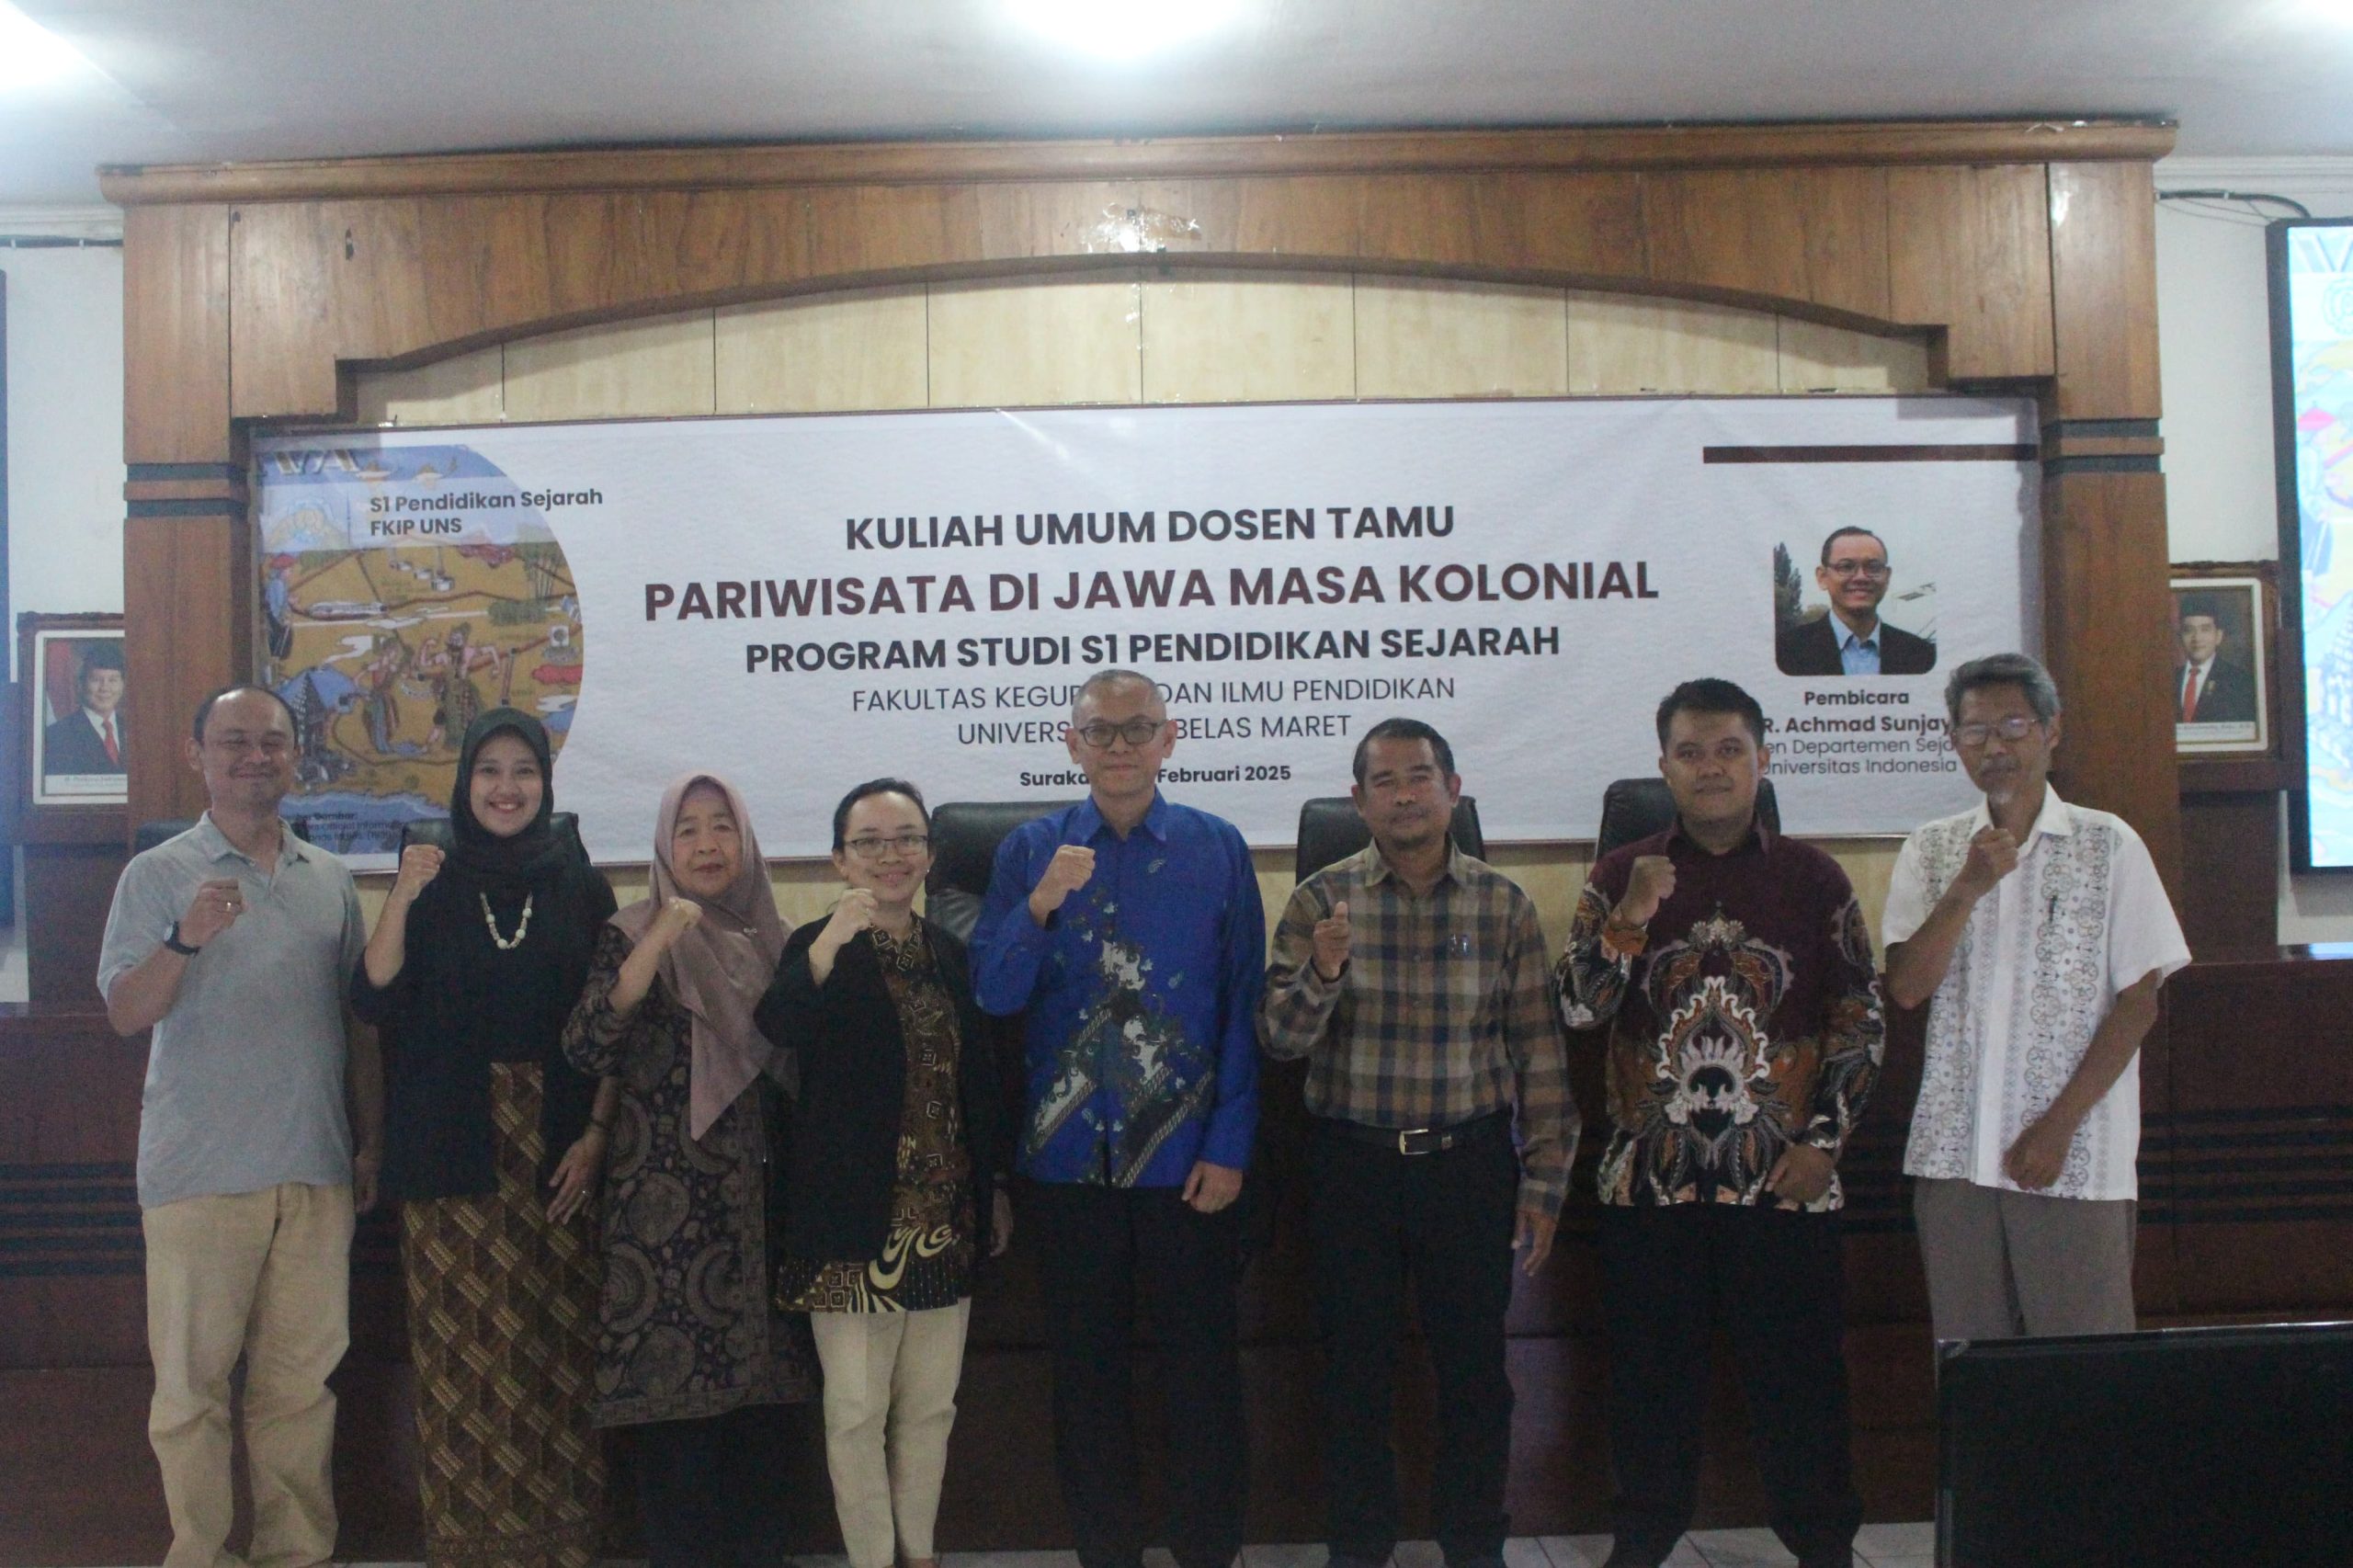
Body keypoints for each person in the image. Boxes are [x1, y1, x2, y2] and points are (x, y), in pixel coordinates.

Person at [1559, 677, 1882, 1568]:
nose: (1710, 768)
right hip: (1648, 1186)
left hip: (1782, 1182)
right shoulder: (1617, 873)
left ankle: (1824, 1547)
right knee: (1647, 1386)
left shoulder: (1813, 878)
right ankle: (1641, 1543)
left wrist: (1824, 1145)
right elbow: (1580, 1010)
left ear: (1762, 760)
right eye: (1690, 753)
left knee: (1802, 1386)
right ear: (1662, 766)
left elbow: (1860, 1019)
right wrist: (1630, 917)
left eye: (1729, 750)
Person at [1258, 719, 1574, 1568]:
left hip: (1467, 1168)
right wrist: (1323, 972)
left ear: (1453, 790)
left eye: (1420, 777)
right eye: (1385, 782)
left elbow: (1540, 1053)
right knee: (1352, 1378)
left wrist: (1545, 1183)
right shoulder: (1320, 900)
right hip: (1351, 1168)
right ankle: (1359, 1549)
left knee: (1475, 1377)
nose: (1404, 795)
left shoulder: (1503, 904)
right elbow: (1279, 1041)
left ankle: (1474, 1547)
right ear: (1358, 801)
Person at [970, 668, 1265, 1568]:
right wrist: (1040, 903)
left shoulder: (1218, 847)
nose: (1121, 746)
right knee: (1086, 1379)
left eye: (1138, 728)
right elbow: (994, 992)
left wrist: (1229, 1144)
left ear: (1170, 739)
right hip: (1066, 1169)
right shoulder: (1030, 849)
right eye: (1100, 731)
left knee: (1201, 1375)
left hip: (1187, 1165)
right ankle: (1106, 1551)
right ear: (1072, 745)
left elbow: (1242, 1003)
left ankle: (1208, 1550)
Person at [96, 685, 379, 1568]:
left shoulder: (329, 879)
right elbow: (125, 1013)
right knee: (191, 1395)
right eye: (233, 741)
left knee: (299, 1392)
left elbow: (358, 1026)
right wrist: (184, 939)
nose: (255, 757)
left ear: (296, 756)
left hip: (315, 1170)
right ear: (197, 755)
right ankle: (202, 1556)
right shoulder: (156, 874)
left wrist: (369, 1140)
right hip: (199, 1176)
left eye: (272, 742)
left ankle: (296, 1554)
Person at [349, 709, 620, 1568]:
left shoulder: (581, 883)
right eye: (489, 771)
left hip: (558, 1152)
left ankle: (565, 1547)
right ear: (465, 783)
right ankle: (471, 1548)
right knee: (464, 1361)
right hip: (449, 1146)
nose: (507, 788)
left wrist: (598, 1132)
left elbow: (613, 1022)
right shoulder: (430, 876)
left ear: (546, 783)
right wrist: (402, 892)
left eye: (524, 772)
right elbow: (373, 996)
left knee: (557, 1355)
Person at [1884, 653, 2189, 1341]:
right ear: (1954, 742)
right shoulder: (1932, 849)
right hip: (1954, 1157)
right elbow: (1906, 989)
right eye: (1975, 731)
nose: (1994, 746)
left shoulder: (2109, 844)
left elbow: (2139, 1002)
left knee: (2083, 1372)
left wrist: (2059, 1126)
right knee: (1973, 1370)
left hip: (2071, 1157)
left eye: (2013, 726)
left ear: (2052, 732)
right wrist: (1966, 889)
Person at [758, 778, 1014, 1568]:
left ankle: (920, 1553)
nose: (890, 855)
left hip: (943, 1217)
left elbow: (981, 1081)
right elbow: (779, 1024)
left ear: (931, 854)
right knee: (855, 1413)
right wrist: (832, 938)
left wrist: (994, 1187)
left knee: (930, 1409)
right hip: (848, 1223)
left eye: (906, 839)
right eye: (868, 842)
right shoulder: (816, 946)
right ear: (840, 859)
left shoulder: (950, 953)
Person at [562, 773, 813, 1568]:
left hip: (763, 1210)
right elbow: (587, 1045)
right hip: (663, 1215)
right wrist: (658, 942)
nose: (707, 845)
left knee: (762, 1420)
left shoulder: (781, 941)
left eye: (722, 827)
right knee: (675, 1421)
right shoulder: (629, 934)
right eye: (689, 830)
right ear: (665, 846)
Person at [1776, 526, 1936, 676]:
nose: (1861, 577)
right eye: (1846, 567)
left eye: (1873, 567)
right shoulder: (1784, 652)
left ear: (1887, 577)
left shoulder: (1923, 655)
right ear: (1822, 577)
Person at [44, 642, 127, 778]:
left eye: (113, 680)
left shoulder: (133, 730)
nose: (105, 688)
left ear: (123, 685)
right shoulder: (56, 736)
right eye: (96, 680)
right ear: (81, 684)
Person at [2174, 593, 2257, 724]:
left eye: (2205, 629)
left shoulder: (2240, 682)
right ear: (2180, 637)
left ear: (2218, 636)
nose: (2197, 638)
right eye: (2189, 630)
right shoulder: (2169, 680)